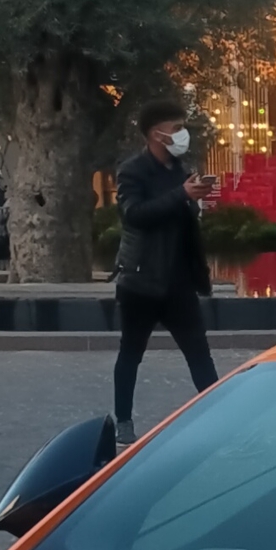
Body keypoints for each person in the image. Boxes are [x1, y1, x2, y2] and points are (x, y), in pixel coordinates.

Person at [112, 98, 220, 444]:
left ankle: (220, 415)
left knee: (199, 352)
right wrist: (181, 195)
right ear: (156, 134)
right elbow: (135, 214)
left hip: (179, 281)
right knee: (131, 352)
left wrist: (193, 197)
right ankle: (123, 421)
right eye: (176, 129)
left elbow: (185, 221)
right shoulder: (133, 171)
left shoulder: (180, 169)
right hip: (141, 278)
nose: (182, 135)